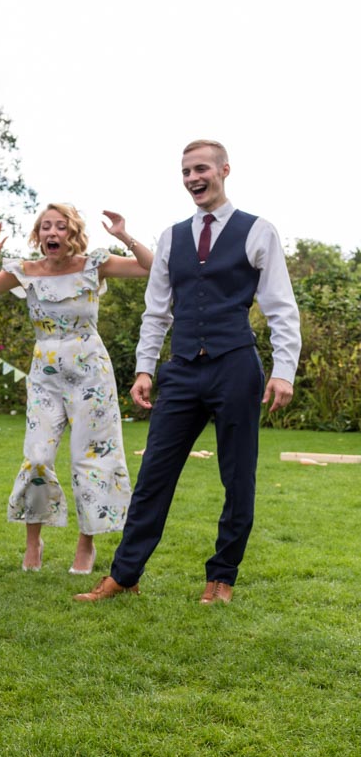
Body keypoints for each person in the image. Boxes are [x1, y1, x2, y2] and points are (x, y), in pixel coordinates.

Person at [77, 140, 301, 605]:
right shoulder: (172, 237)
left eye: (201, 169)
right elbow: (156, 312)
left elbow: (280, 307)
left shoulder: (259, 231)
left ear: (224, 170)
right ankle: (125, 574)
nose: (193, 178)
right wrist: (144, 369)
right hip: (181, 370)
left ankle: (222, 578)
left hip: (236, 366)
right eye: (185, 172)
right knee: (154, 474)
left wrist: (284, 370)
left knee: (237, 477)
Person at [0, 205, 153, 574]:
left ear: (72, 234)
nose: (53, 232)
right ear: (38, 236)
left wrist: (123, 235)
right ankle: (33, 541)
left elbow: (150, 266)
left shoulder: (94, 264)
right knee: (37, 456)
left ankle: (87, 544)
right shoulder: (25, 271)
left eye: (61, 226)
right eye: (45, 227)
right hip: (45, 374)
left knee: (92, 458)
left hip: (90, 373)